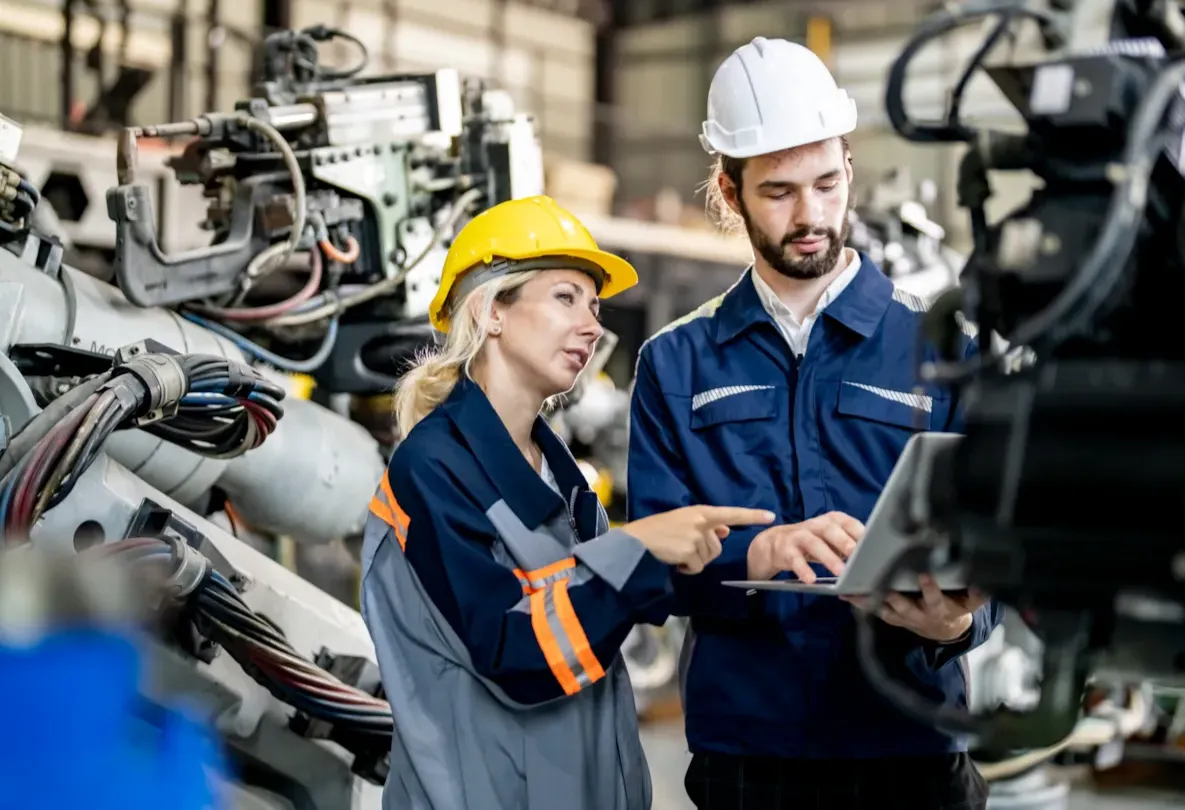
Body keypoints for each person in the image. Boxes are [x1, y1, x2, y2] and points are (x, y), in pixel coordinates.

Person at [627, 38, 1003, 810]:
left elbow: (994, 546)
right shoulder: (676, 364)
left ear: (849, 170)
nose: (811, 216)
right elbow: (649, 570)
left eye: (828, 183)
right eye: (779, 191)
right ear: (729, 193)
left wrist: (955, 626)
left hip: (912, 748)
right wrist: (758, 553)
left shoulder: (944, 348)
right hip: (750, 757)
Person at [359, 195, 775, 810]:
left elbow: (585, 614)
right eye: (565, 298)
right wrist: (636, 547)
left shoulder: (565, 483)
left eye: (595, 305)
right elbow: (517, 653)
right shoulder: (433, 469)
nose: (592, 326)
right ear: (491, 310)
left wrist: (756, 554)